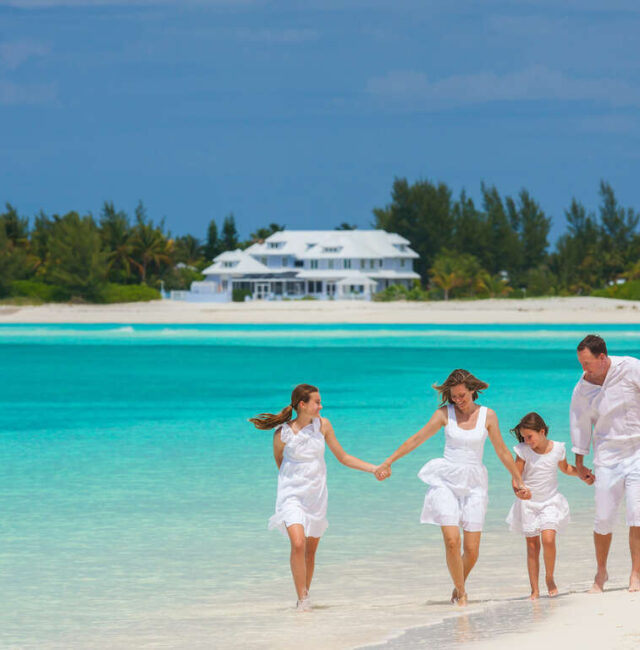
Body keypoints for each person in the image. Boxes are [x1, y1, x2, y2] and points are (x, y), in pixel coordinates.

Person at [375, 369, 530, 606]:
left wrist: (518, 480)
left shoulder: (488, 416)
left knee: (472, 550)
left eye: (462, 395)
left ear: (472, 391)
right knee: (451, 541)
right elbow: (416, 439)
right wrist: (389, 461)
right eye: (454, 396)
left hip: (475, 483)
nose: (458, 400)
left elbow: (501, 450)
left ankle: (458, 585)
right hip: (445, 480)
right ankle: (462, 593)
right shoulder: (444, 414)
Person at [250, 383, 385, 611]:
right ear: (303, 404)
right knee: (298, 543)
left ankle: (304, 598)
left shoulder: (323, 426)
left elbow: (343, 457)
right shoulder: (282, 434)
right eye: (317, 402)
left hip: (316, 495)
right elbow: (280, 463)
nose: (321, 406)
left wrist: (374, 469)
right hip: (291, 496)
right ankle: (302, 600)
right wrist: (294, 482)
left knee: (310, 551)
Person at [570, 334, 640, 593]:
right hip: (607, 457)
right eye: (581, 363)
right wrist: (579, 463)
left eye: (587, 363)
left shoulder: (630, 368)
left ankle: (636, 574)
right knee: (603, 518)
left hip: (638, 452)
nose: (583, 368)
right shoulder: (582, 388)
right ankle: (601, 572)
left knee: (637, 514)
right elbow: (579, 424)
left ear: (602, 358)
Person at [506, 412, 577, 599]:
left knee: (548, 539)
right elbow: (516, 478)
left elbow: (566, 468)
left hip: (550, 501)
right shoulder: (523, 451)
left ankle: (549, 577)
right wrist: (520, 491)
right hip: (528, 504)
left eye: (529, 436)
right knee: (532, 546)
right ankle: (534, 589)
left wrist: (582, 474)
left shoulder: (558, 449)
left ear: (542, 431)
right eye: (524, 437)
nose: (526, 441)